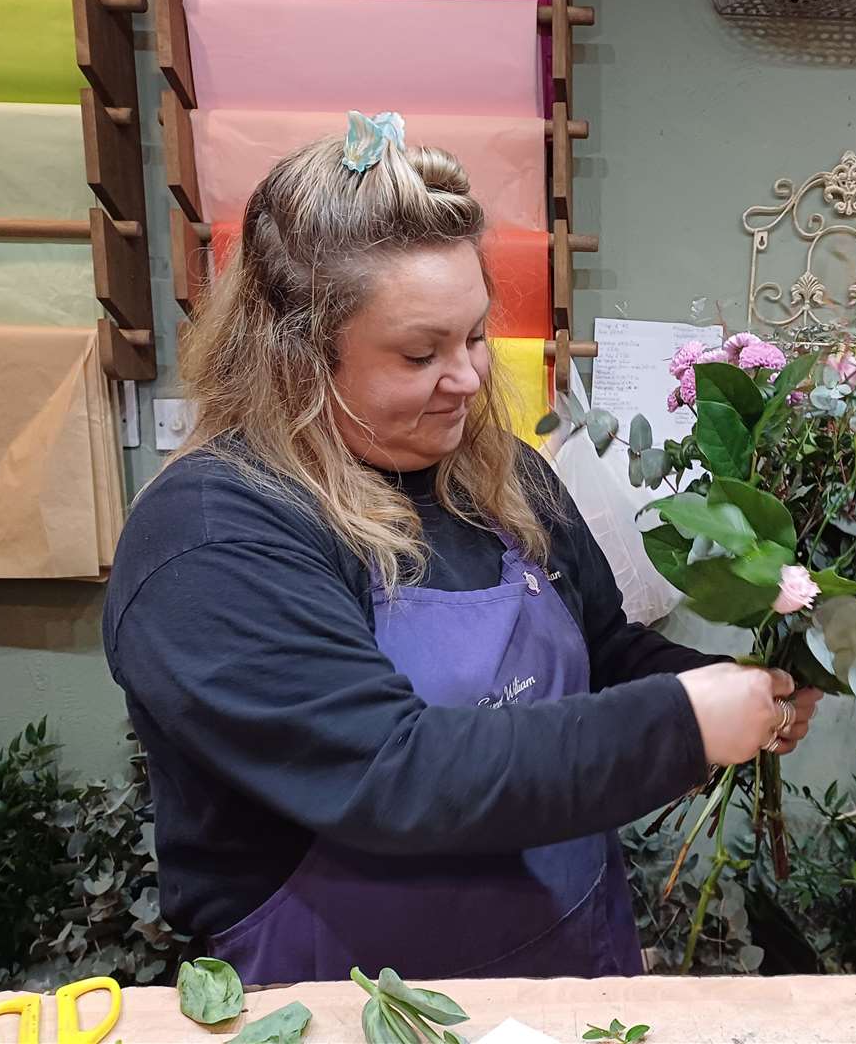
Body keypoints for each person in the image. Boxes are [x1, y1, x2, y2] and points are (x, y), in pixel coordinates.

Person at [101, 117, 819, 986]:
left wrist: (731, 684)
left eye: (475, 335)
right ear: (292, 357)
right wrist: (679, 724)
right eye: (420, 352)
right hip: (359, 1000)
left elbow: (603, 650)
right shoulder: (213, 540)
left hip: (571, 970)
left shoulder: (499, 475)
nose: (471, 379)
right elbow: (391, 772)